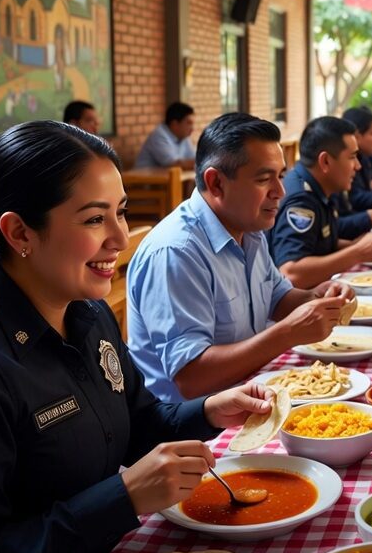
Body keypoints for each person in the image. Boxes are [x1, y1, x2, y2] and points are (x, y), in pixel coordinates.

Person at [0, 121, 273, 553]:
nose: (121, 239)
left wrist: (210, 411)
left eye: (120, 212)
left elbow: (138, 423)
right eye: (94, 219)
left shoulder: (88, 312)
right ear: (20, 233)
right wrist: (123, 498)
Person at [128, 113, 352, 402]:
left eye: (281, 176)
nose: (280, 192)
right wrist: (286, 334)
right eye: (264, 179)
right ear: (217, 183)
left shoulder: (249, 227)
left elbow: (276, 297)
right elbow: (192, 378)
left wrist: (317, 299)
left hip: (250, 391)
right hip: (190, 428)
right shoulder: (176, 252)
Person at [270, 116, 372, 289]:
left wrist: (357, 246)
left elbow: (319, 242)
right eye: (352, 157)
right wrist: (357, 253)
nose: (358, 166)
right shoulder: (301, 201)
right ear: (325, 161)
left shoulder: (321, 185)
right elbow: (291, 273)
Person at [135, 101, 197, 170]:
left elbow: (193, 158)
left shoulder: (184, 137)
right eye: (189, 123)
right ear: (175, 124)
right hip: (143, 179)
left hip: (166, 179)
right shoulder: (159, 136)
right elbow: (174, 164)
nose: (192, 128)